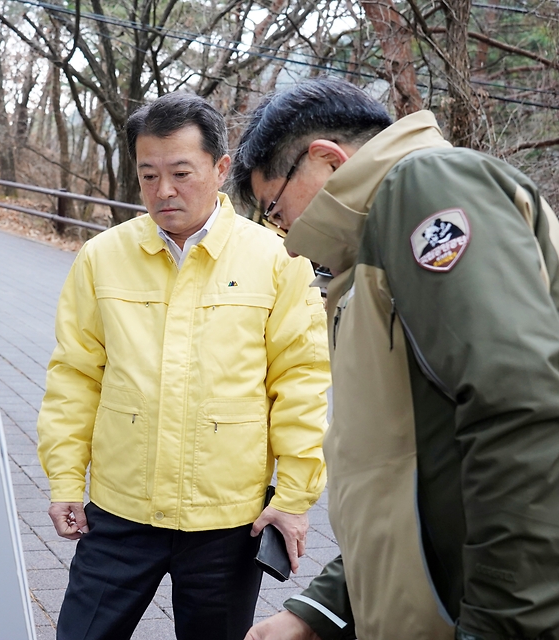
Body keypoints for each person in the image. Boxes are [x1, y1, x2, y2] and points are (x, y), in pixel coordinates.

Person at [233, 77, 559, 640]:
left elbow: (521, 412)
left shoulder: (427, 186)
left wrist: (502, 628)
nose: (284, 237)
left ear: (326, 160)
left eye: (275, 209)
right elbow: (411, 477)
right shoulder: (367, 255)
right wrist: (321, 610)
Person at [36, 91, 330, 640]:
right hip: (120, 510)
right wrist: (64, 480)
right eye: (148, 175)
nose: (164, 191)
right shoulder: (102, 257)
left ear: (220, 168)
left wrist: (292, 497)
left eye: (180, 172)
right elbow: (75, 376)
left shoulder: (276, 259)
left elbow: (301, 383)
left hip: (227, 519)